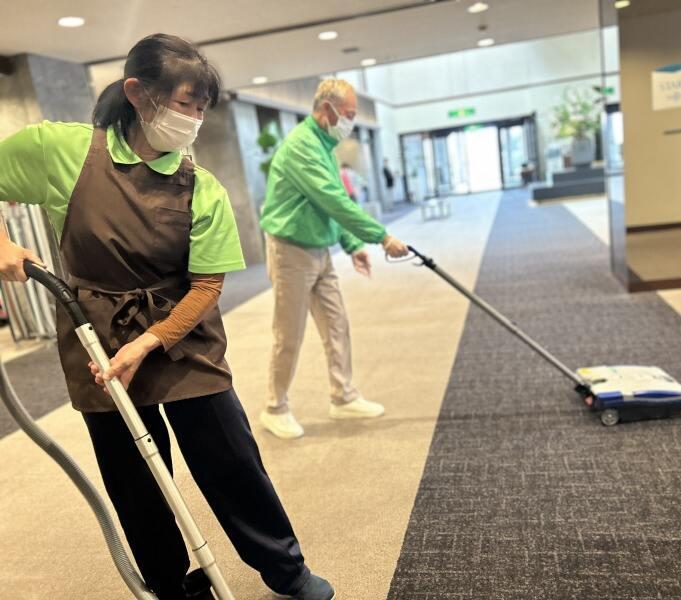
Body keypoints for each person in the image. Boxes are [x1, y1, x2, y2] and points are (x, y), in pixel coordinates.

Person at [0, 34, 333, 600]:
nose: (195, 120)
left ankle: (286, 569)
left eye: (203, 109)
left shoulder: (200, 186)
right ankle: (171, 587)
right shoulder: (63, 150)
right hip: (94, 331)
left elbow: (207, 286)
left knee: (230, 457)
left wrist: (150, 341)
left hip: (182, 330)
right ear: (138, 92)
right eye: (186, 104)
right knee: (134, 477)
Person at [259, 78, 408, 440]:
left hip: (319, 249)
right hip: (290, 250)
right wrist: (381, 236)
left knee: (337, 324)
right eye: (349, 114)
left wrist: (353, 244)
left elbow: (330, 201)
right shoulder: (300, 147)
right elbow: (332, 200)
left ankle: (343, 396)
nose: (350, 122)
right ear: (327, 110)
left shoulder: (325, 143)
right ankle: (275, 407)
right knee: (289, 333)